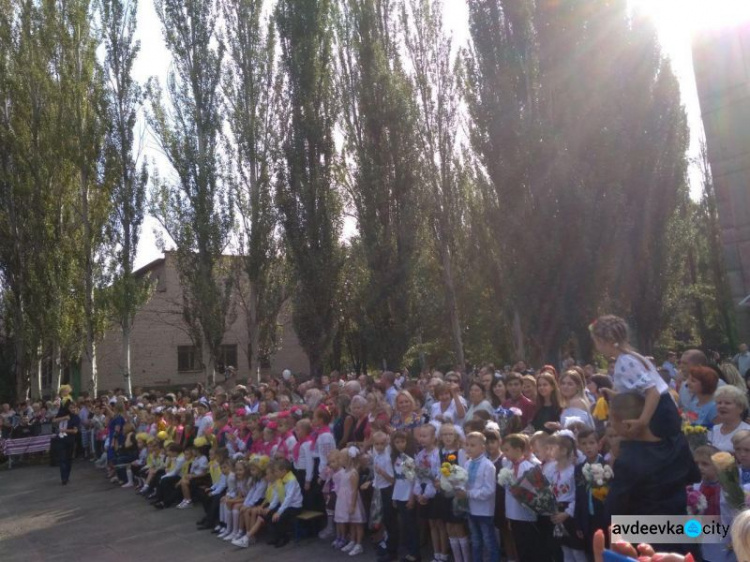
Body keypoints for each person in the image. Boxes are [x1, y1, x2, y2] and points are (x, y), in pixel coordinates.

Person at [605, 392, 700, 559]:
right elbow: (694, 475)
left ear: (624, 422)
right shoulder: (678, 443)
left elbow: (615, 508)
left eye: (611, 421)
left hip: (648, 542)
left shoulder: (628, 459)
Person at [590, 316, 682, 440]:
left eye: (596, 341)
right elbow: (637, 391)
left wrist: (642, 421)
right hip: (661, 410)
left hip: (657, 415)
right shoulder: (630, 357)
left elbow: (653, 392)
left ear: (605, 341)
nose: (596, 347)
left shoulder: (625, 362)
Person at [458, 431, 499, 562]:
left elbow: (489, 490)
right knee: (475, 541)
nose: (469, 448)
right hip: (471, 509)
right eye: (467, 445)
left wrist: (469, 493)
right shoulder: (467, 463)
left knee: (489, 541)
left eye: (473, 445)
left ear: (482, 447)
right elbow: (465, 482)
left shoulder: (488, 465)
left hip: (484, 510)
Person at [544, 433, 586, 562]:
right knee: (565, 548)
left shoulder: (573, 471)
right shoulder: (551, 469)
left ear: (563, 451)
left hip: (570, 513)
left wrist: (567, 513)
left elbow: (577, 495)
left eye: (552, 448)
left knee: (576, 550)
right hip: (556, 511)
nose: (549, 452)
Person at [436, 424, 468, 562]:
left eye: (450, 434)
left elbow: (463, 473)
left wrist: (456, 485)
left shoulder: (460, 452)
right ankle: (457, 558)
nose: (447, 437)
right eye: (444, 434)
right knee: (449, 526)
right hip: (445, 493)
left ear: (456, 436)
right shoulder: (441, 452)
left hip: (456, 493)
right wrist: (438, 481)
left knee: (458, 526)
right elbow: (439, 470)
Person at [391, 430, 419, 562]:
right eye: (397, 442)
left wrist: (411, 497)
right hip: (399, 495)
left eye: (403, 441)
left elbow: (413, 481)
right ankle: (408, 550)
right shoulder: (397, 458)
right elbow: (397, 480)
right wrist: (394, 497)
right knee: (405, 525)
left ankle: (415, 553)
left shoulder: (408, 460)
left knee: (411, 525)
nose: (400, 444)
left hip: (407, 496)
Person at [334, 446, 366, 556]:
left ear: (348, 459)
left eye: (341, 458)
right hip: (345, 500)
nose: (339, 460)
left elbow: (354, 490)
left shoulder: (353, 473)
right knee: (352, 522)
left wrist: (352, 505)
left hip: (353, 501)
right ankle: (352, 541)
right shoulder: (344, 471)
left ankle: (359, 544)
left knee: (357, 523)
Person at [370, 431, 398, 562]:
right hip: (378, 489)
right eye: (376, 444)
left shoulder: (386, 458)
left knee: (390, 521)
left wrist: (382, 473)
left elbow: (392, 479)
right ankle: (384, 544)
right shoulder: (376, 455)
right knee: (381, 519)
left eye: (382, 444)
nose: (379, 446)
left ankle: (392, 552)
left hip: (387, 490)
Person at [265, 458, 304, 548]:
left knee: (280, 517)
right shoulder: (280, 479)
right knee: (269, 514)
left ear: (284, 471)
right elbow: (277, 495)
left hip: (294, 506)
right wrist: (270, 507)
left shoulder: (291, 480)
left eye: (276, 471)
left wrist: (279, 512)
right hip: (285, 505)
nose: (274, 473)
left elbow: (289, 498)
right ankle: (276, 536)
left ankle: (284, 538)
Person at [709, 385, 750, 452]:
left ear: (740, 408)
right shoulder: (714, 429)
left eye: (727, 403)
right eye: (719, 403)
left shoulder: (748, 431)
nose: (722, 406)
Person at [57, 402, 80, 485]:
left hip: (70, 440)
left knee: (69, 459)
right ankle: (64, 478)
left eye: (74, 408)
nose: (72, 409)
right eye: (71, 407)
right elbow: (53, 420)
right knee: (62, 459)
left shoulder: (76, 418)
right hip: (61, 440)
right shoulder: (63, 415)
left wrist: (64, 430)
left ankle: (67, 475)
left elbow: (75, 430)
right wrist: (63, 418)